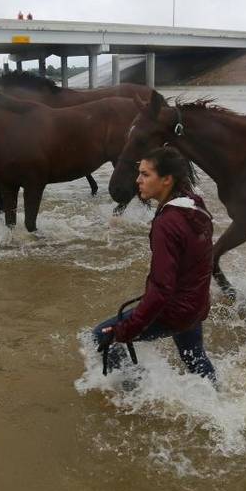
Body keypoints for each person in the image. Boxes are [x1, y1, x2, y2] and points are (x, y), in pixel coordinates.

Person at [94, 147, 216, 383]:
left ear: (166, 179)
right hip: (196, 304)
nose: (138, 180)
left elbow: (161, 289)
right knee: (195, 358)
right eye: (139, 173)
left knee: (100, 336)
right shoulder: (195, 205)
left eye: (145, 174)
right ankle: (219, 407)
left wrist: (127, 329)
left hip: (176, 310)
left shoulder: (167, 224)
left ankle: (135, 397)